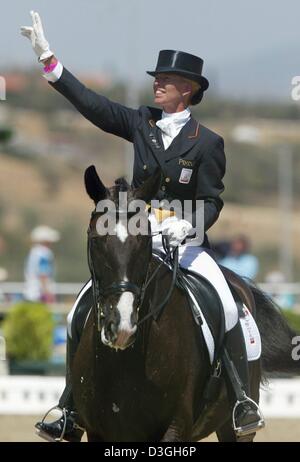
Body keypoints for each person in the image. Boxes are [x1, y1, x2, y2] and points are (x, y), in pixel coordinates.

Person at [21, 11, 264, 441]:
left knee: (226, 304)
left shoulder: (207, 143)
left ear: (187, 90)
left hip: (187, 246)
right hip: (138, 235)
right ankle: (69, 405)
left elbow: (213, 201)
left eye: (165, 79)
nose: (157, 83)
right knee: (85, 301)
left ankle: (240, 399)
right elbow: (94, 105)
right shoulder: (141, 122)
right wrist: (49, 62)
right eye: (156, 77)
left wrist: (187, 226)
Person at [24, 225, 60, 303]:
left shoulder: (33, 252)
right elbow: (43, 274)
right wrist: (48, 294)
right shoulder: (44, 253)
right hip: (40, 295)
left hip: (31, 293)